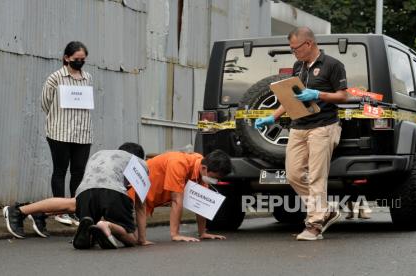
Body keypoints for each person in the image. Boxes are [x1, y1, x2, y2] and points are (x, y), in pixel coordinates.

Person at [255, 27, 348, 241]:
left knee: (316, 176)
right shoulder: (298, 66)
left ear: (308, 44)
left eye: (295, 48)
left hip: (323, 126)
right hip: (298, 126)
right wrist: (273, 117)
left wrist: (318, 94)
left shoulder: (333, 65)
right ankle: (325, 211)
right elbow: (290, 98)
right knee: (293, 174)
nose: (293, 52)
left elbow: (343, 96)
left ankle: (314, 224)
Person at [3, 143, 152, 249]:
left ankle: (21, 211)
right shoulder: (139, 162)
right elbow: (140, 206)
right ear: (139, 156)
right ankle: (107, 226)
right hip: (114, 193)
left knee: (72, 204)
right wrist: (142, 239)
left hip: (85, 192)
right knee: (130, 238)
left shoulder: (100, 154)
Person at [41, 41, 93, 226]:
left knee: (78, 171)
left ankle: (75, 208)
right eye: (76, 59)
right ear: (66, 58)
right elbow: (45, 103)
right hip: (59, 132)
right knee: (60, 170)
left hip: (82, 133)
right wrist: (58, 118)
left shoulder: (87, 77)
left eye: (82, 59)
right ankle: (59, 210)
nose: (79, 62)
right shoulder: (55, 78)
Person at [145, 149, 232, 242]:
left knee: (137, 240)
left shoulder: (201, 165)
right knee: (131, 239)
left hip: (149, 201)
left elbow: (201, 203)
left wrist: (202, 233)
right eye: (214, 178)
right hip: (136, 195)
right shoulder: (178, 163)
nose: (216, 181)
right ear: (204, 168)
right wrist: (175, 234)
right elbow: (177, 200)